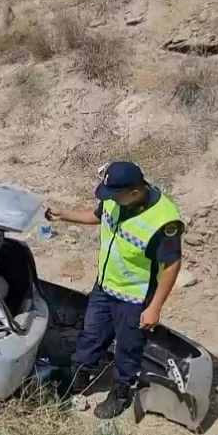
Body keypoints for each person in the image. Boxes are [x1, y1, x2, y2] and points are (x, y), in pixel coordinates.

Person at [45, 161, 184, 419]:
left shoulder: (163, 219)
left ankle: (120, 393)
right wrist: (64, 215)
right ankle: (80, 375)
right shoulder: (115, 197)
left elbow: (172, 264)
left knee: (128, 348)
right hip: (105, 286)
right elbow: (98, 216)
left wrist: (155, 307)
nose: (109, 199)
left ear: (134, 192)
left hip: (135, 297)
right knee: (91, 333)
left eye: (114, 195)